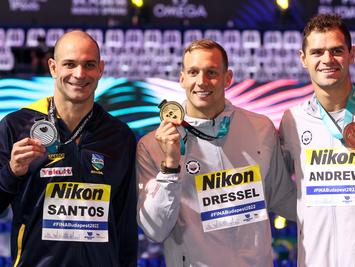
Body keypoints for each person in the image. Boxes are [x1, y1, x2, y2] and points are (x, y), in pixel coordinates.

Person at [136, 39, 296, 267]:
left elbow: (284, 200)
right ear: (182, 79)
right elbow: (155, 230)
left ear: (227, 78)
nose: (201, 81)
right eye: (193, 72)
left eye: (211, 72)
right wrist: (170, 167)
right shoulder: (151, 145)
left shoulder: (260, 128)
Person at [0, 30, 137, 266]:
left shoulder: (119, 136)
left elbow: (124, 223)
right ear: (53, 67)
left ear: (101, 69)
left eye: (89, 64)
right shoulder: (16, 126)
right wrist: (11, 173)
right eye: (70, 64)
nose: (79, 74)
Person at [279, 13, 355, 266]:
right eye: (317, 52)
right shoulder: (293, 121)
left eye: (336, 50)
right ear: (303, 59)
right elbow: (282, 192)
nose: (327, 60)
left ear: (351, 54)